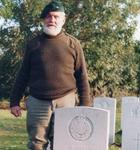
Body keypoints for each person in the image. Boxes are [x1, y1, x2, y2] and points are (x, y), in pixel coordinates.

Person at [10, 1, 92, 150]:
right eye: (48, 17)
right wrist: (14, 101)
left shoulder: (73, 44)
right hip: (37, 102)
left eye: (55, 16)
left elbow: (82, 75)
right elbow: (23, 74)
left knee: (63, 143)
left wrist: (85, 104)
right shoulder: (33, 45)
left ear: (63, 19)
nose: (52, 20)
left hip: (66, 101)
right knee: (36, 145)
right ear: (43, 20)